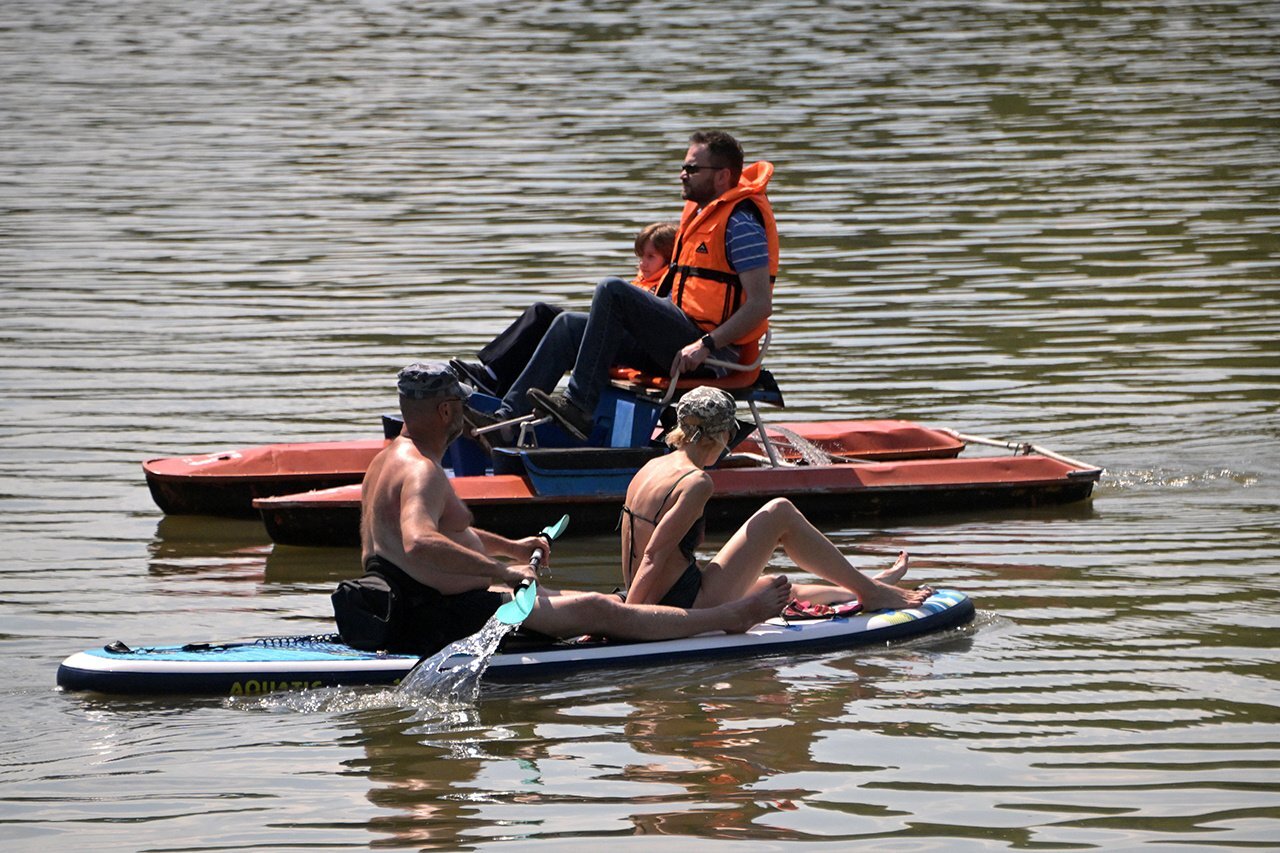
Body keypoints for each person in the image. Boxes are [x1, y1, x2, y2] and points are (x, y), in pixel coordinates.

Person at [344, 363, 793, 657]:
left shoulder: (387, 461)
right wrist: (502, 574)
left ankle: (694, 618)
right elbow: (420, 541)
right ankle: (731, 618)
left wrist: (513, 549)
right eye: (461, 404)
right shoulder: (422, 471)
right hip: (437, 616)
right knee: (601, 608)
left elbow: (446, 532)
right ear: (444, 410)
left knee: (578, 602)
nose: (465, 412)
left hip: (425, 603)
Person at [472, 130, 779, 440]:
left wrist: (706, 345)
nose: (682, 174)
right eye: (684, 166)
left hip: (709, 355)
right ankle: (507, 421)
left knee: (612, 289)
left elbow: (759, 305)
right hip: (675, 337)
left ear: (723, 176)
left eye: (692, 169)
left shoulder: (741, 225)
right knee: (566, 325)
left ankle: (579, 406)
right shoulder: (701, 215)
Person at [619, 386, 932, 612]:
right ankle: (871, 591)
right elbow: (652, 556)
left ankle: (867, 584)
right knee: (780, 512)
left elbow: (643, 553)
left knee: (778, 587)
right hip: (679, 602)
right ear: (723, 436)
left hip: (662, 590)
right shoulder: (696, 481)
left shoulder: (651, 467)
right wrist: (627, 621)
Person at [448, 222, 677, 398]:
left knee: (566, 324)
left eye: (651, 257)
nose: (642, 264)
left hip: (622, 350)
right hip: (611, 340)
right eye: (640, 257)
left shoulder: (668, 287)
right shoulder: (641, 283)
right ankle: (493, 375)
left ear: (668, 260)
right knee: (542, 313)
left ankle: (507, 395)